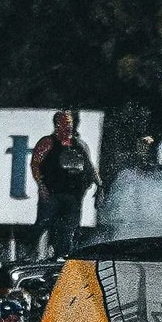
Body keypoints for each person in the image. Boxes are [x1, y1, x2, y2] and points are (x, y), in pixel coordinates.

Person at [30, 110, 101, 258]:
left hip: (73, 195)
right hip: (52, 193)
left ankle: (62, 255)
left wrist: (99, 184)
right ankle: (37, 254)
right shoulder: (48, 142)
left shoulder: (79, 145)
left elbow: (90, 166)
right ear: (58, 124)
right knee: (45, 224)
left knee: (69, 228)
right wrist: (41, 185)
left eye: (70, 122)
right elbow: (35, 163)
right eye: (65, 122)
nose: (69, 126)